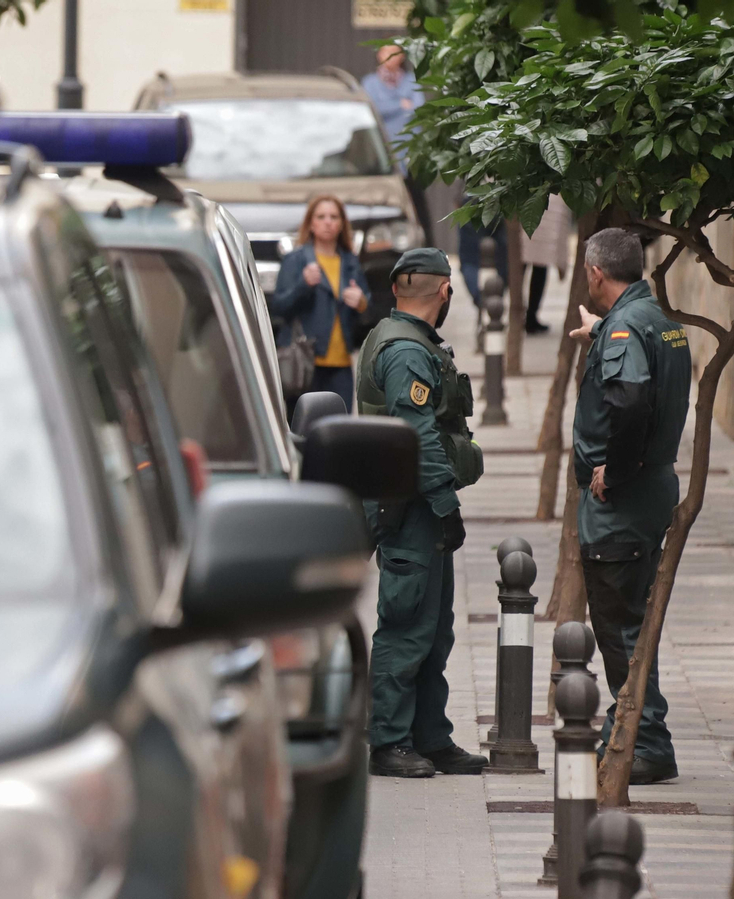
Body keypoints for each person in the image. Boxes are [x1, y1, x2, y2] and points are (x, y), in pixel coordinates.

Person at [568, 227, 692, 785]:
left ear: (596, 273)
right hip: (651, 496)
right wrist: (602, 334)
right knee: (636, 625)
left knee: (619, 630)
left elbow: (632, 398)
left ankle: (642, 742)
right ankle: (640, 731)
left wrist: (611, 473)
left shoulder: (624, 328)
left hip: (619, 504)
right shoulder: (659, 321)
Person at [358, 247, 486, 778]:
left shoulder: (412, 342)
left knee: (435, 630)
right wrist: (444, 502)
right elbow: (418, 437)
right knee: (406, 626)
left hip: (419, 507)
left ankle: (430, 736)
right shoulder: (406, 352)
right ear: (445, 291)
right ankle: (389, 741)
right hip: (409, 506)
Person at [272, 195, 371, 411]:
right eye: (321, 216)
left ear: (341, 224)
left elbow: (367, 305)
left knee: (341, 432)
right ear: (311, 224)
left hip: (341, 364)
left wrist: (361, 302)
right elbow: (278, 307)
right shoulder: (296, 260)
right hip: (305, 363)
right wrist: (303, 285)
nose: (328, 222)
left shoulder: (349, 261)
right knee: (303, 429)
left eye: (334, 217)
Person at [362, 45, 434, 240]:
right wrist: (400, 105)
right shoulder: (370, 82)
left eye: (395, 52)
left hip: (411, 152)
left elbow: (418, 108)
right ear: (379, 54)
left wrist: (392, 108)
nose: (390, 56)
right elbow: (372, 109)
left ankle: (426, 245)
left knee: (417, 201)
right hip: (383, 155)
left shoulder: (411, 80)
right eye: (386, 51)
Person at [517, 195, 571, 334]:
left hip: (533, 212)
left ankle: (527, 315)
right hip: (541, 215)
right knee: (537, 269)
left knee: (531, 269)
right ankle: (529, 316)